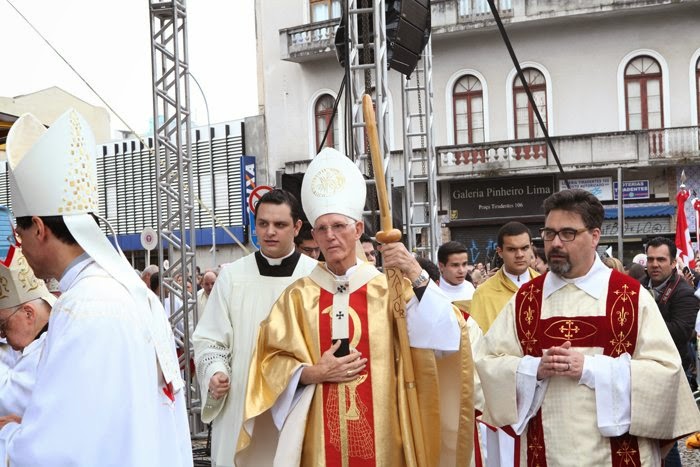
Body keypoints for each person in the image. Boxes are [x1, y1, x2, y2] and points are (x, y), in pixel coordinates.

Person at [236, 147, 473, 465]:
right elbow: (267, 365)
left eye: (339, 226)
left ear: (358, 230)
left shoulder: (389, 291)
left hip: (384, 436)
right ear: (313, 235)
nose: (330, 236)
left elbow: (446, 336)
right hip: (318, 441)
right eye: (322, 229)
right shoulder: (297, 298)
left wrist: (413, 271)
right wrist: (311, 373)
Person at [2, 109, 192, 465]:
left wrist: (8, 435)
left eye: (20, 235)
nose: (21, 248)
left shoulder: (85, 306)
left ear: (39, 229)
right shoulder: (131, 293)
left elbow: (60, 448)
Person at [477, 189, 700, 466]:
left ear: (595, 236)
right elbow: (488, 362)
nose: (555, 243)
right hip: (545, 453)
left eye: (567, 233)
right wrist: (533, 369)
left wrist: (592, 369)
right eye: (549, 233)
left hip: (617, 455)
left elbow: (667, 373)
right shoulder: (526, 300)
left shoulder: (630, 297)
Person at [192, 188, 317, 467]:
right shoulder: (232, 277)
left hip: (296, 404)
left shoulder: (315, 277)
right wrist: (215, 371)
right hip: (241, 400)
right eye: (263, 223)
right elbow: (210, 340)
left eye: (280, 224)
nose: (270, 232)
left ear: (297, 227)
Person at [645, 236, 699, 466]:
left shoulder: (684, 293)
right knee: (647, 435)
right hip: (642, 370)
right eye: (650, 259)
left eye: (661, 259)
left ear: (673, 262)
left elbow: (680, 332)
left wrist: (643, 321)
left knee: (667, 437)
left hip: (671, 372)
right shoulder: (637, 285)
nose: (654, 264)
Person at [0, 250, 56, 419]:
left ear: (28, 314)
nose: (2, 334)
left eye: (3, 324)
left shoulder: (52, 344)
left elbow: (8, 401)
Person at [471, 221, 540, 333]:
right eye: (512, 249)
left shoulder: (546, 286)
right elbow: (477, 339)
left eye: (524, 248)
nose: (519, 255)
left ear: (531, 248)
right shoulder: (483, 294)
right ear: (500, 252)